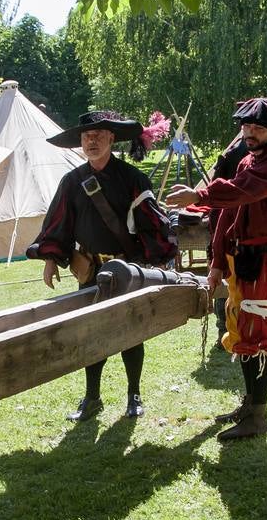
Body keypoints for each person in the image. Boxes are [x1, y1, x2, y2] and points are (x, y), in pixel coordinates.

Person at [28, 111, 178, 423]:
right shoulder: (72, 182)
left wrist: (157, 259)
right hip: (91, 272)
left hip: (129, 269)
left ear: (111, 139)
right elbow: (58, 222)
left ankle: (134, 395)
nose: (91, 141)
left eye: (98, 135)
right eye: (86, 136)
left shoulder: (133, 178)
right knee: (92, 334)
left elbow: (152, 222)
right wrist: (51, 259)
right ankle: (92, 398)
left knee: (131, 332)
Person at [167, 97, 267, 441]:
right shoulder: (249, 161)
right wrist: (216, 261)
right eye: (246, 126)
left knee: (256, 331)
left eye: (258, 127)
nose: (250, 133)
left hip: (264, 259)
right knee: (240, 328)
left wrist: (198, 194)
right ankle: (250, 404)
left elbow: (240, 192)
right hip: (242, 258)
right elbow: (227, 214)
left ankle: (258, 415)